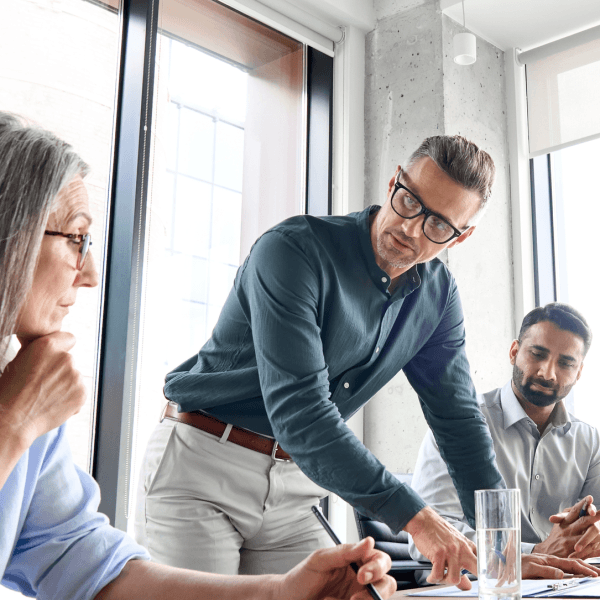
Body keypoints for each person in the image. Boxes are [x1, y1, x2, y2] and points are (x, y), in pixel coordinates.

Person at [135, 134, 600, 589]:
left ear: (461, 237)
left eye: (439, 225)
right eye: (410, 201)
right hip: (203, 464)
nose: (412, 229)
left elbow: (458, 423)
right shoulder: (294, 251)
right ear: (395, 181)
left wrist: (505, 554)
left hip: (295, 486)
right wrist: (419, 520)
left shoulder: (437, 297)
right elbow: (302, 414)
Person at [0, 111, 397, 600]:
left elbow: (86, 566)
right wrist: (12, 424)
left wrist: (280, 594)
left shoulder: (23, 385)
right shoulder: (22, 403)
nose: (91, 275)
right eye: (76, 240)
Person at [408, 303, 600, 571]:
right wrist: (533, 552)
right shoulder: (458, 423)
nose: (548, 373)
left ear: (579, 373)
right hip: (475, 584)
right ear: (514, 352)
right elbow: (430, 533)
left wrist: (593, 535)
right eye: (537, 354)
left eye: (566, 363)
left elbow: (596, 522)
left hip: (561, 582)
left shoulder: (589, 441)